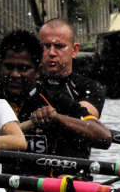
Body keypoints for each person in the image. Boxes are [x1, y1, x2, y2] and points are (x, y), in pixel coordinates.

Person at [26, 18, 112, 160]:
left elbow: (83, 123)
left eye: (59, 46)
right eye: (46, 46)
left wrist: (55, 117)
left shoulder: (89, 88)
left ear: (74, 50)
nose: (51, 52)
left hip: (71, 170)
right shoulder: (26, 84)